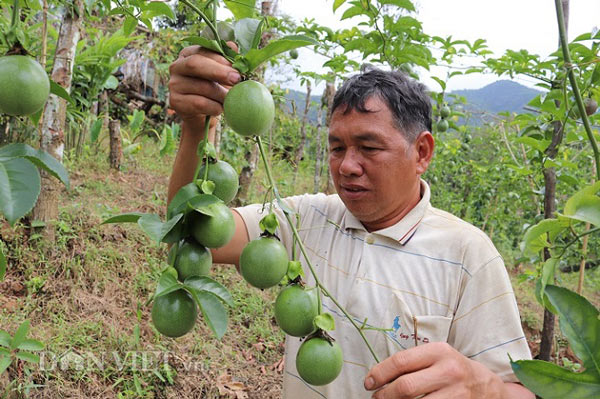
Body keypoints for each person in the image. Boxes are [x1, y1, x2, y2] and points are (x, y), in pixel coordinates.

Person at [167, 44, 535, 399]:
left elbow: (517, 389)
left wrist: (486, 388)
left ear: (421, 153)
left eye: (370, 147)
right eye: (337, 148)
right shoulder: (304, 219)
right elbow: (195, 232)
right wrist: (196, 128)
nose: (346, 166)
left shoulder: (467, 254)